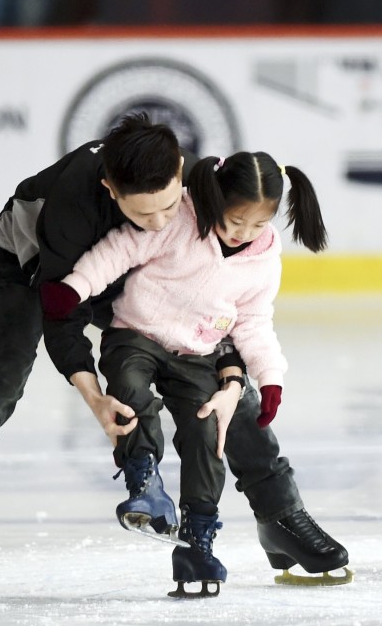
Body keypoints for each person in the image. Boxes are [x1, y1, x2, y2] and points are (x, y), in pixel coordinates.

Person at [0, 114, 349, 603]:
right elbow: (63, 317)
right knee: (2, 380)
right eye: (144, 215)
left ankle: (280, 517)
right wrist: (96, 399)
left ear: (181, 172)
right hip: (35, 269)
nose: (162, 221)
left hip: (133, 273)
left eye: (170, 205)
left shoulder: (195, 196)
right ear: (110, 188)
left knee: (223, 391)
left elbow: (216, 300)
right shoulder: (70, 209)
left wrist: (232, 376)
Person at [41, 151, 339, 596]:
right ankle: (144, 480)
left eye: (257, 225)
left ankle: (199, 541)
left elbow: (254, 320)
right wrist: (76, 287)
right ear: (215, 199)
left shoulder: (263, 256)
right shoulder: (181, 217)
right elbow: (121, 248)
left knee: (209, 432)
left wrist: (270, 376)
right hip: (137, 333)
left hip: (199, 352)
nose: (243, 233)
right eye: (235, 220)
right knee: (128, 388)